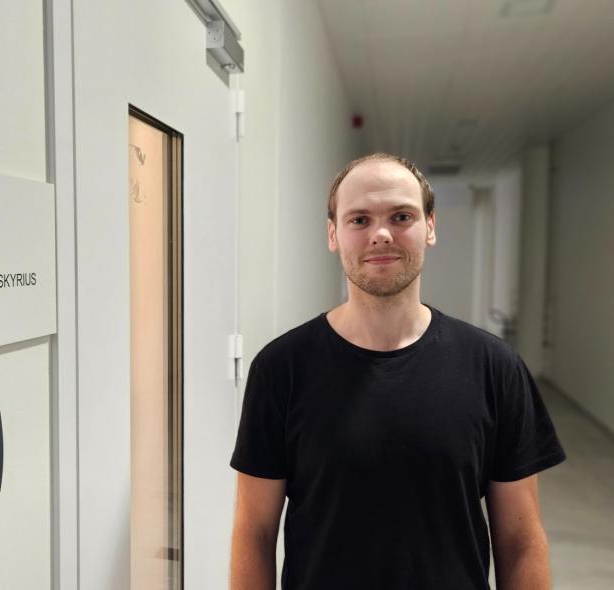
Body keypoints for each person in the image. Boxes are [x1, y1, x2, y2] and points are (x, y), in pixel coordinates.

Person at [229, 153, 567, 589]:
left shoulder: (494, 368)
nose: (381, 234)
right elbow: (254, 533)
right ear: (333, 234)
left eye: (401, 216)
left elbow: (520, 542)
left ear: (430, 227)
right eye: (359, 220)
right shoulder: (281, 369)